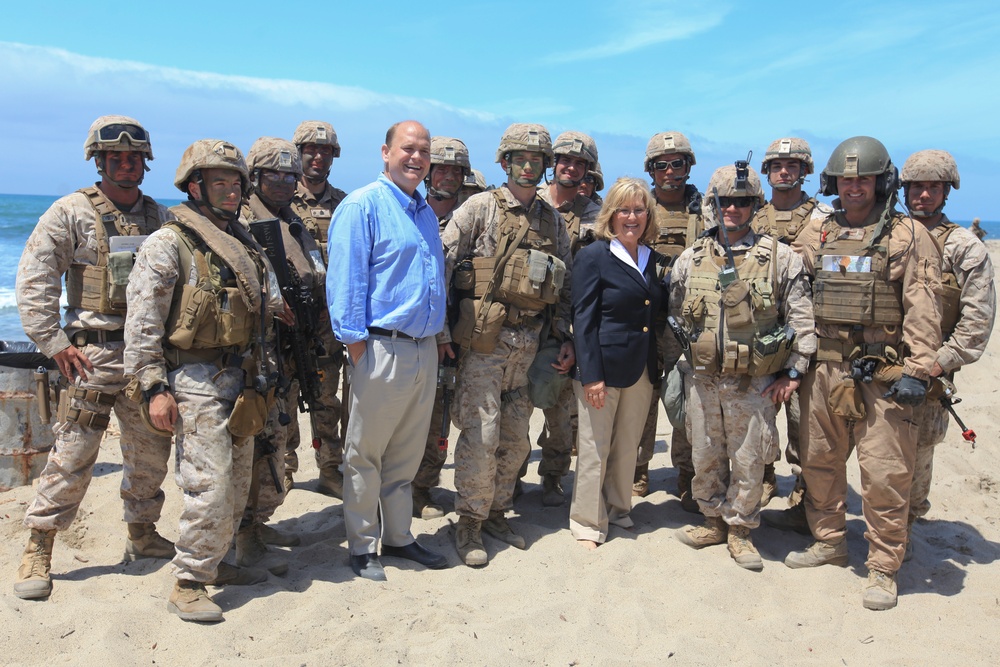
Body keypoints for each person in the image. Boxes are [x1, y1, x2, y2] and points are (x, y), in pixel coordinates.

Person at [125, 138, 287, 622]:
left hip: (242, 376)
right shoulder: (168, 243)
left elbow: (268, 304)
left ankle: (215, 564)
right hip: (193, 377)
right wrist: (154, 388)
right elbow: (143, 323)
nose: (232, 191)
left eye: (236, 182)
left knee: (238, 482)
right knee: (209, 484)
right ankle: (189, 581)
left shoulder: (244, 242)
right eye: (220, 182)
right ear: (195, 186)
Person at [13, 115, 174, 600]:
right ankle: (39, 547)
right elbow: (35, 278)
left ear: (145, 164)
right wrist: (54, 343)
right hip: (92, 355)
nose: (125, 165)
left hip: (146, 355)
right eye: (115, 158)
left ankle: (142, 535)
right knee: (72, 456)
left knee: (151, 454)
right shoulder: (70, 213)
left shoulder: (162, 219)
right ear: (99, 161)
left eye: (133, 158)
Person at [785, 136, 943, 611]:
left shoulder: (907, 234)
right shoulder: (818, 231)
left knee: (885, 472)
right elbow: (792, 283)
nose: (855, 187)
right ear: (834, 182)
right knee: (819, 461)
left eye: (864, 179)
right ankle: (830, 542)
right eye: (847, 179)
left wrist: (919, 368)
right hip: (825, 367)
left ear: (881, 182)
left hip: (884, 370)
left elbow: (924, 304)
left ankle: (882, 565)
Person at [439, 123, 575, 567]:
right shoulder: (479, 208)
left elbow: (566, 284)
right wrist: (441, 331)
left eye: (538, 160)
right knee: (481, 436)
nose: (530, 166)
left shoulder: (551, 218)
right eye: (522, 159)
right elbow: (440, 263)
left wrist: (563, 339)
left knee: (516, 440)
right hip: (484, 343)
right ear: (505, 163)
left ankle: (496, 511)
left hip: (530, 344)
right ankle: (470, 523)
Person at [672, 164, 815, 570]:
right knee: (705, 454)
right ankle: (713, 520)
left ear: (755, 205)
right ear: (712, 205)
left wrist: (794, 372)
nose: (733, 208)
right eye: (725, 202)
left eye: (743, 201)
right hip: (704, 380)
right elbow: (677, 315)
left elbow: (801, 319)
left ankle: (740, 530)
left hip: (753, 383)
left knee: (750, 458)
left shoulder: (779, 258)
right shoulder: (692, 258)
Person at [327, 120, 449, 581]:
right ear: (385, 152)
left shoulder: (423, 212)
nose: (415, 157)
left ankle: (399, 538)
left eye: (423, 151)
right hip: (380, 348)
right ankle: (362, 546)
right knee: (365, 454)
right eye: (407, 148)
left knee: (405, 455)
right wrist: (360, 350)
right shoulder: (363, 206)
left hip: (423, 349)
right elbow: (346, 283)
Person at [898, 150, 996, 561]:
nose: (923, 195)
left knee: (919, 450)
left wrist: (937, 363)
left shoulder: (964, 247)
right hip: (878, 364)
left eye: (932, 187)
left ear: (946, 192)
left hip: (930, 372)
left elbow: (976, 321)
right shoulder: (890, 235)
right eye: (916, 187)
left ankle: (907, 526)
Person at [238, 136, 328, 572]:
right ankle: (243, 533)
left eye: (291, 175)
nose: (284, 182)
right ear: (254, 177)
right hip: (259, 355)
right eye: (274, 174)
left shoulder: (292, 221)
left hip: (293, 352)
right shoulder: (240, 220)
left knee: (280, 442)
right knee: (256, 445)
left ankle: (257, 523)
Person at [570, 177, 666, 549]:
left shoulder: (652, 258)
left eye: (639, 209)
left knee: (628, 445)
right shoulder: (594, 256)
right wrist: (590, 375)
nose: (632, 217)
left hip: (641, 367)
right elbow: (584, 319)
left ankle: (618, 508)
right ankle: (588, 523)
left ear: (648, 215)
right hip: (603, 370)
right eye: (624, 209)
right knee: (595, 446)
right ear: (610, 214)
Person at [751, 138, 832, 512]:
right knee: (758, 413)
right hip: (760, 334)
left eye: (793, 166)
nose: (785, 172)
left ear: (805, 172)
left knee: (804, 423)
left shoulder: (825, 220)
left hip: (805, 334)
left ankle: (802, 492)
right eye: (777, 166)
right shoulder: (751, 216)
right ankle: (764, 479)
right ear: (766, 172)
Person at [528, 131, 601, 507]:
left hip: (566, 321)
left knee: (561, 410)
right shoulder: (530, 202)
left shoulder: (595, 216)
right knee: (516, 404)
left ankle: (553, 474)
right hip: (523, 319)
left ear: (588, 169)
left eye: (580, 163)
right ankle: (510, 474)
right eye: (565, 161)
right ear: (552, 164)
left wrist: (573, 333)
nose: (571, 168)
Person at [635, 131, 705, 505]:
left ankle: (687, 472)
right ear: (651, 169)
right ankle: (637, 469)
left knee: (686, 400)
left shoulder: (706, 212)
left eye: (677, 163)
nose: (669, 171)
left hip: (687, 326)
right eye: (660, 165)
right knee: (641, 397)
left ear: (688, 166)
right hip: (646, 322)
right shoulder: (639, 209)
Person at [413, 135, 473, 520]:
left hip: (462, 334)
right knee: (412, 415)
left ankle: (424, 486)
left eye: (456, 169)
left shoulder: (474, 217)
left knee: (443, 413)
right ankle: (406, 488)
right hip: (417, 332)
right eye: (441, 168)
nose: (448, 176)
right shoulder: (410, 212)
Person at [288, 120, 349, 497]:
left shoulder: (345, 204)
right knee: (285, 392)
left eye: (325, 151)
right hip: (289, 318)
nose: (318, 156)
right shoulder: (276, 199)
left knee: (327, 396)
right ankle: (284, 470)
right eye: (311, 149)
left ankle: (330, 468)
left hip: (329, 321)